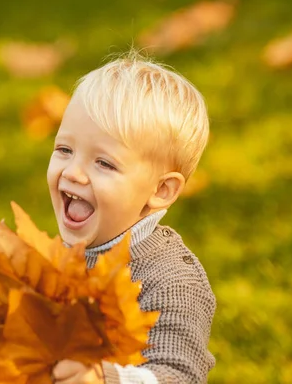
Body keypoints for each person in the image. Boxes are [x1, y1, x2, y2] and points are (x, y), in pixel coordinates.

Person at [46, 52, 216, 384]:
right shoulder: (63, 257)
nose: (74, 172)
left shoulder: (171, 281)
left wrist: (104, 379)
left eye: (104, 163)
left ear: (162, 189)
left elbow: (181, 376)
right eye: (65, 150)